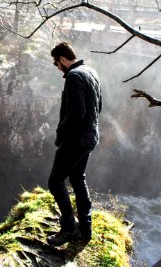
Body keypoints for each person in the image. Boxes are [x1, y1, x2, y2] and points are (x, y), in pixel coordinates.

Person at [47, 42, 102, 246]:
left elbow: (76, 114)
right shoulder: (90, 71)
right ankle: (85, 228)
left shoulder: (73, 76)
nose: (57, 68)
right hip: (90, 137)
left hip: (75, 140)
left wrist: (61, 134)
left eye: (56, 63)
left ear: (62, 58)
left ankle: (69, 229)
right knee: (78, 178)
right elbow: (99, 105)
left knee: (55, 182)